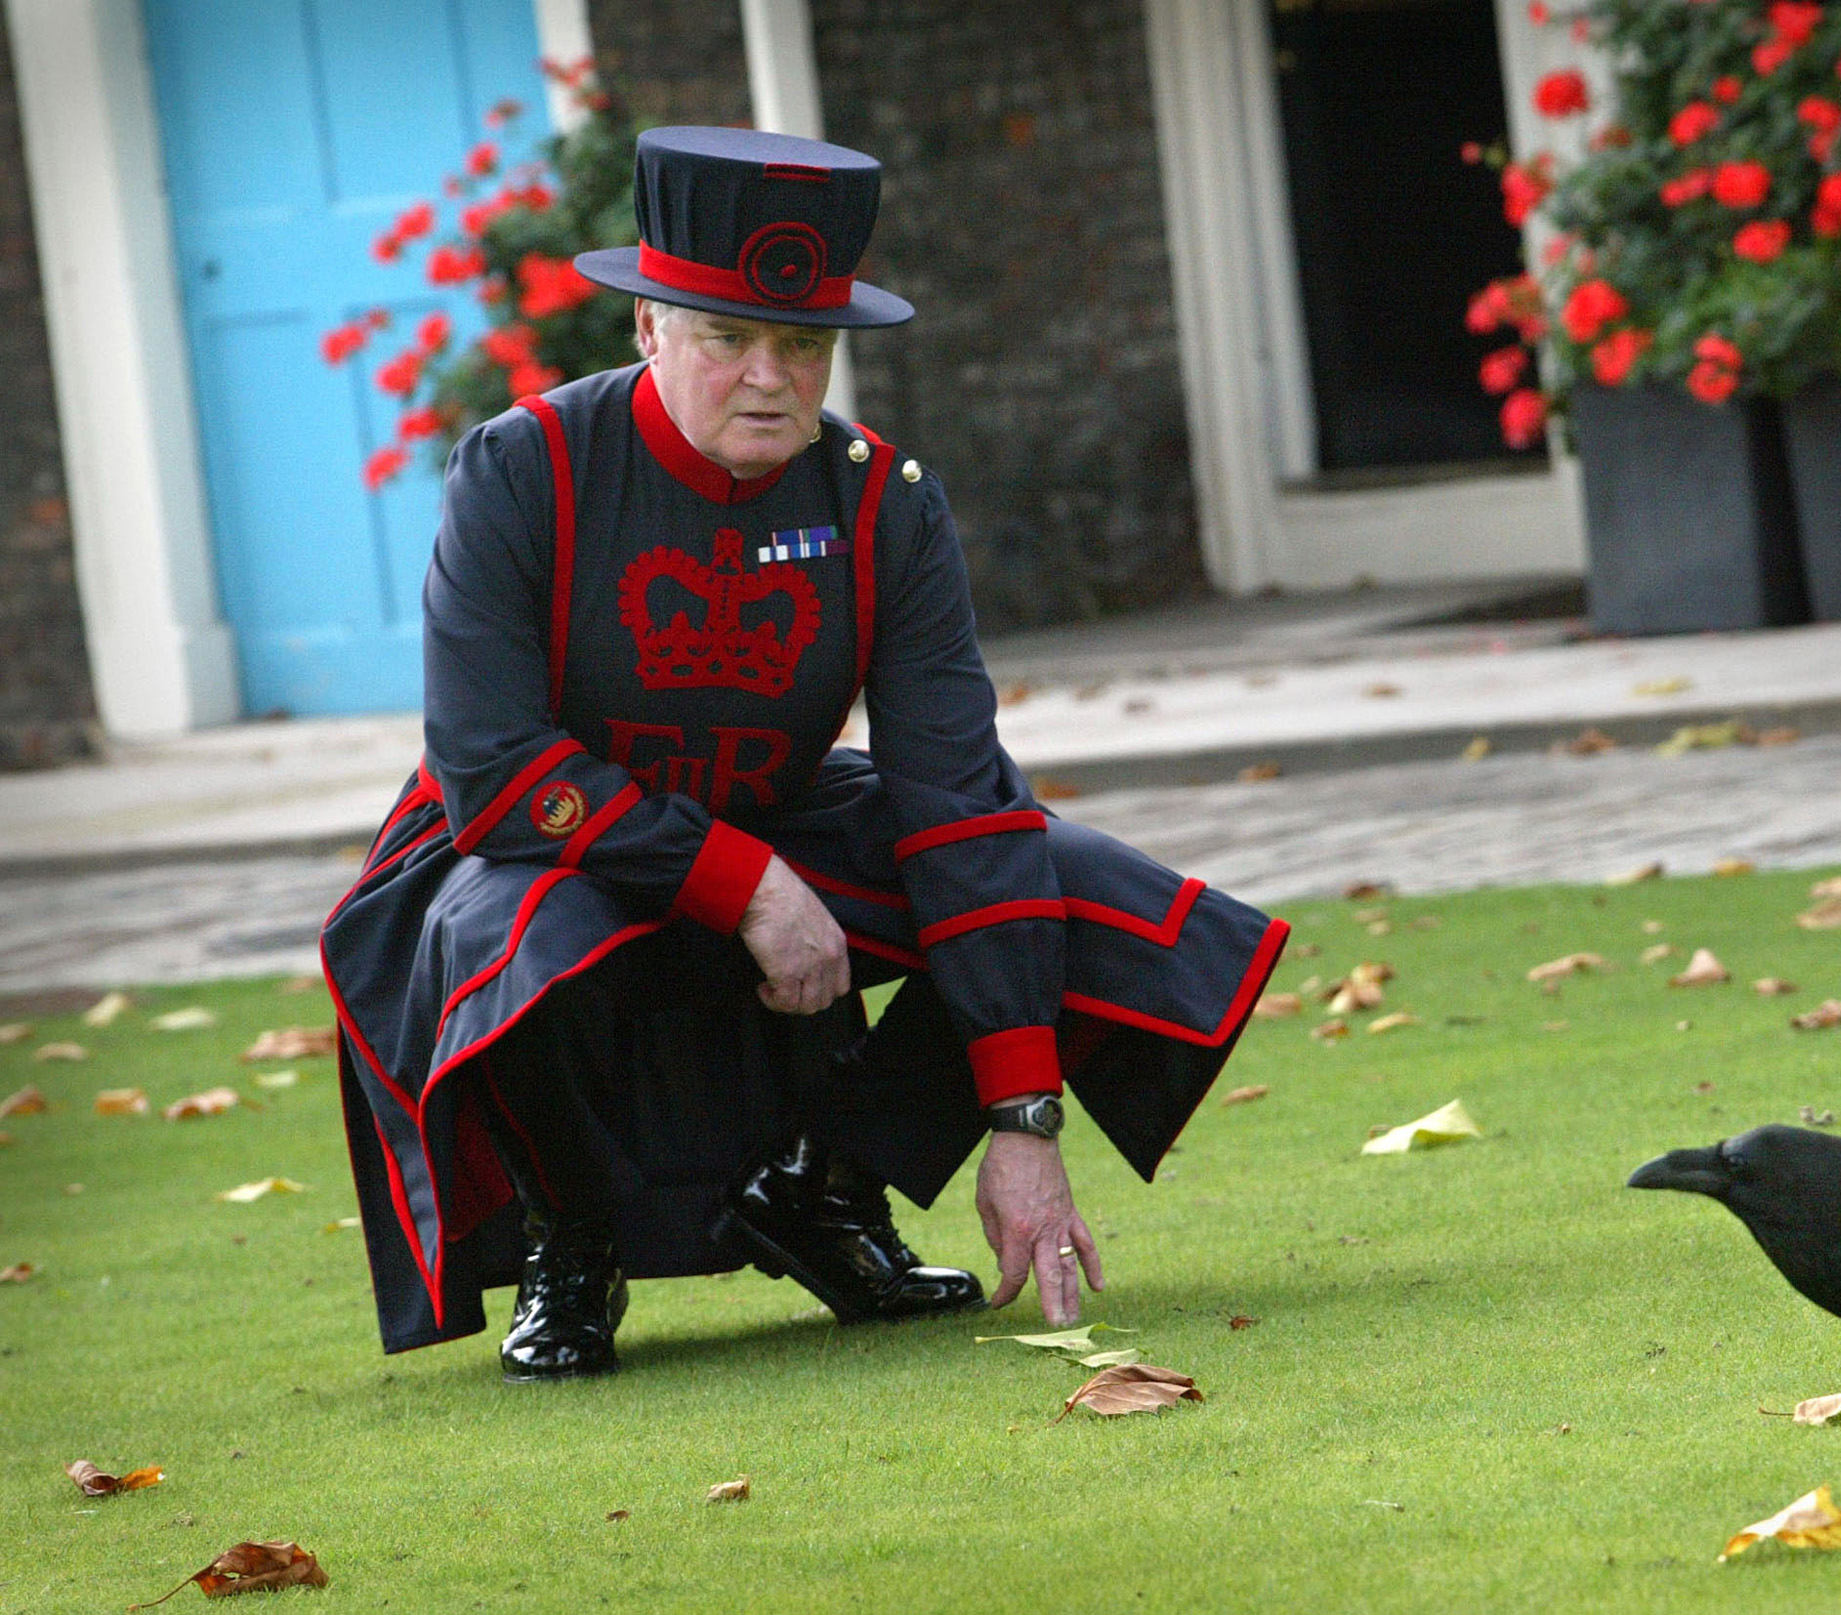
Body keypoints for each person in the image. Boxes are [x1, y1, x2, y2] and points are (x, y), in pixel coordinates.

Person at [321, 126, 1288, 1380]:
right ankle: (575, 1233)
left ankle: (827, 1188)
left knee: (1053, 867)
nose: (772, 378)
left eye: (805, 344)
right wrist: (747, 885)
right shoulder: (523, 470)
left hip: (772, 811)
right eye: (727, 338)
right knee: (506, 929)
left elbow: (958, 799)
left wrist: (1021, 1114)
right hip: (526, 842)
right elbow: (491, 766)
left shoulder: (886, 496)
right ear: (646, 330)